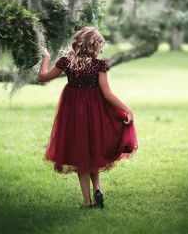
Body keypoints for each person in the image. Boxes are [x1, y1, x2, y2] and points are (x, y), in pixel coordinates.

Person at [38, 26, 138, 210]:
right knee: (92, 150)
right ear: (93, 46)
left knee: (80, 154)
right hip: (96, 113)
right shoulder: (98, 65)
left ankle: (87, 202)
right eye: (99, 44)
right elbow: (107, 94)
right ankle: (97, 189)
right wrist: (126, 108)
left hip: (74, 114)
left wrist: (46, 59)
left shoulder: (66, 62)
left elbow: (43, 77)